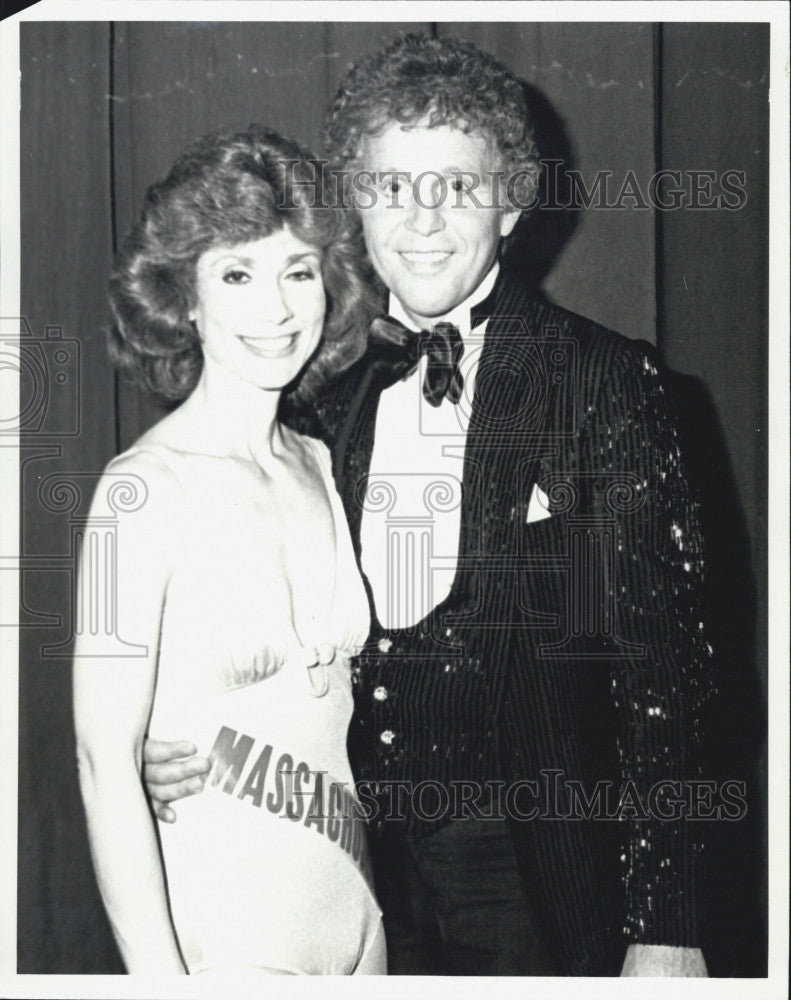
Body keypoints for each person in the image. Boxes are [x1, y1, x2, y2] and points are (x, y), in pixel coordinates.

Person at [144, 34, 714, 976]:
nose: (421, 218)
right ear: (353, 205)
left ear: (514, 199)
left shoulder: (606, 381)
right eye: (390, 186)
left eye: (456, 185)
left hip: (536, 876)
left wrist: (669, 927)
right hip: (344, 871)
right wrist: (178, 735)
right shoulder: (315, 383)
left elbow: (670, 682)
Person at [72, 126, 386, 976]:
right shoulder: (137, 491)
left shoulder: (318, 463)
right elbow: (104, 762)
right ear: (185, 300)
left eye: (297, 271)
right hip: (227, 940)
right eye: (236, 274)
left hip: (359, 926)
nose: (275, 309)